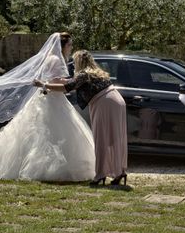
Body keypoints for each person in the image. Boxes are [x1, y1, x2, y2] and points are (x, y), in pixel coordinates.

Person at [0, 33, 96, 181]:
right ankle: (49, 169)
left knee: (40, 132)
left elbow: (50, 79)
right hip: (53, 99)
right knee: (53, 133)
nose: (71, 48)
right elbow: (56, 81)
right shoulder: (57, 60)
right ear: (62, 45)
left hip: (46, 97)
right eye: (69, 45)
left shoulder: (50, 58)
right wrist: (74, 82)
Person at [38, 50, 128, 187]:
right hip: (116, 100)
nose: (73, 65)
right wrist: (53, 83)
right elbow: (71, 82)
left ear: (79, 62)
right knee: (116, 138)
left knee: (102, 139)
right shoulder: (94, 72)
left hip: (104, 103)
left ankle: (100, 175)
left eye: (75, 62)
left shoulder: (83, 74)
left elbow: (66, 87)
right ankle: (119, 171)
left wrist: (43, 85)